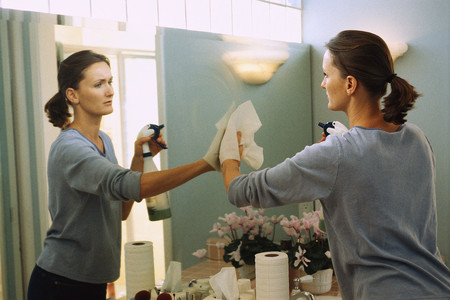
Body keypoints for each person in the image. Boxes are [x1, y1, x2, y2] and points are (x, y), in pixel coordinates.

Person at [220, 30, 450, 299]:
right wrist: (335, 153)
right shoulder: (416, 137)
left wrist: (227, 156)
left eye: (327, 74)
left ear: (350, 84)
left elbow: (241, 191)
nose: (323, 83)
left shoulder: (336, 153)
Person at [27, 50, 222, 300]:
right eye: (99, 84)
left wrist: (138, 160)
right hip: (61, 283)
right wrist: (205, 164)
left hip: (92, 280)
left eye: (110, 82)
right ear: (72, 95)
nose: (109, 91)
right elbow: (128, 185)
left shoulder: (103, 141)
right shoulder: (70, 148)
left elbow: (120, 211)